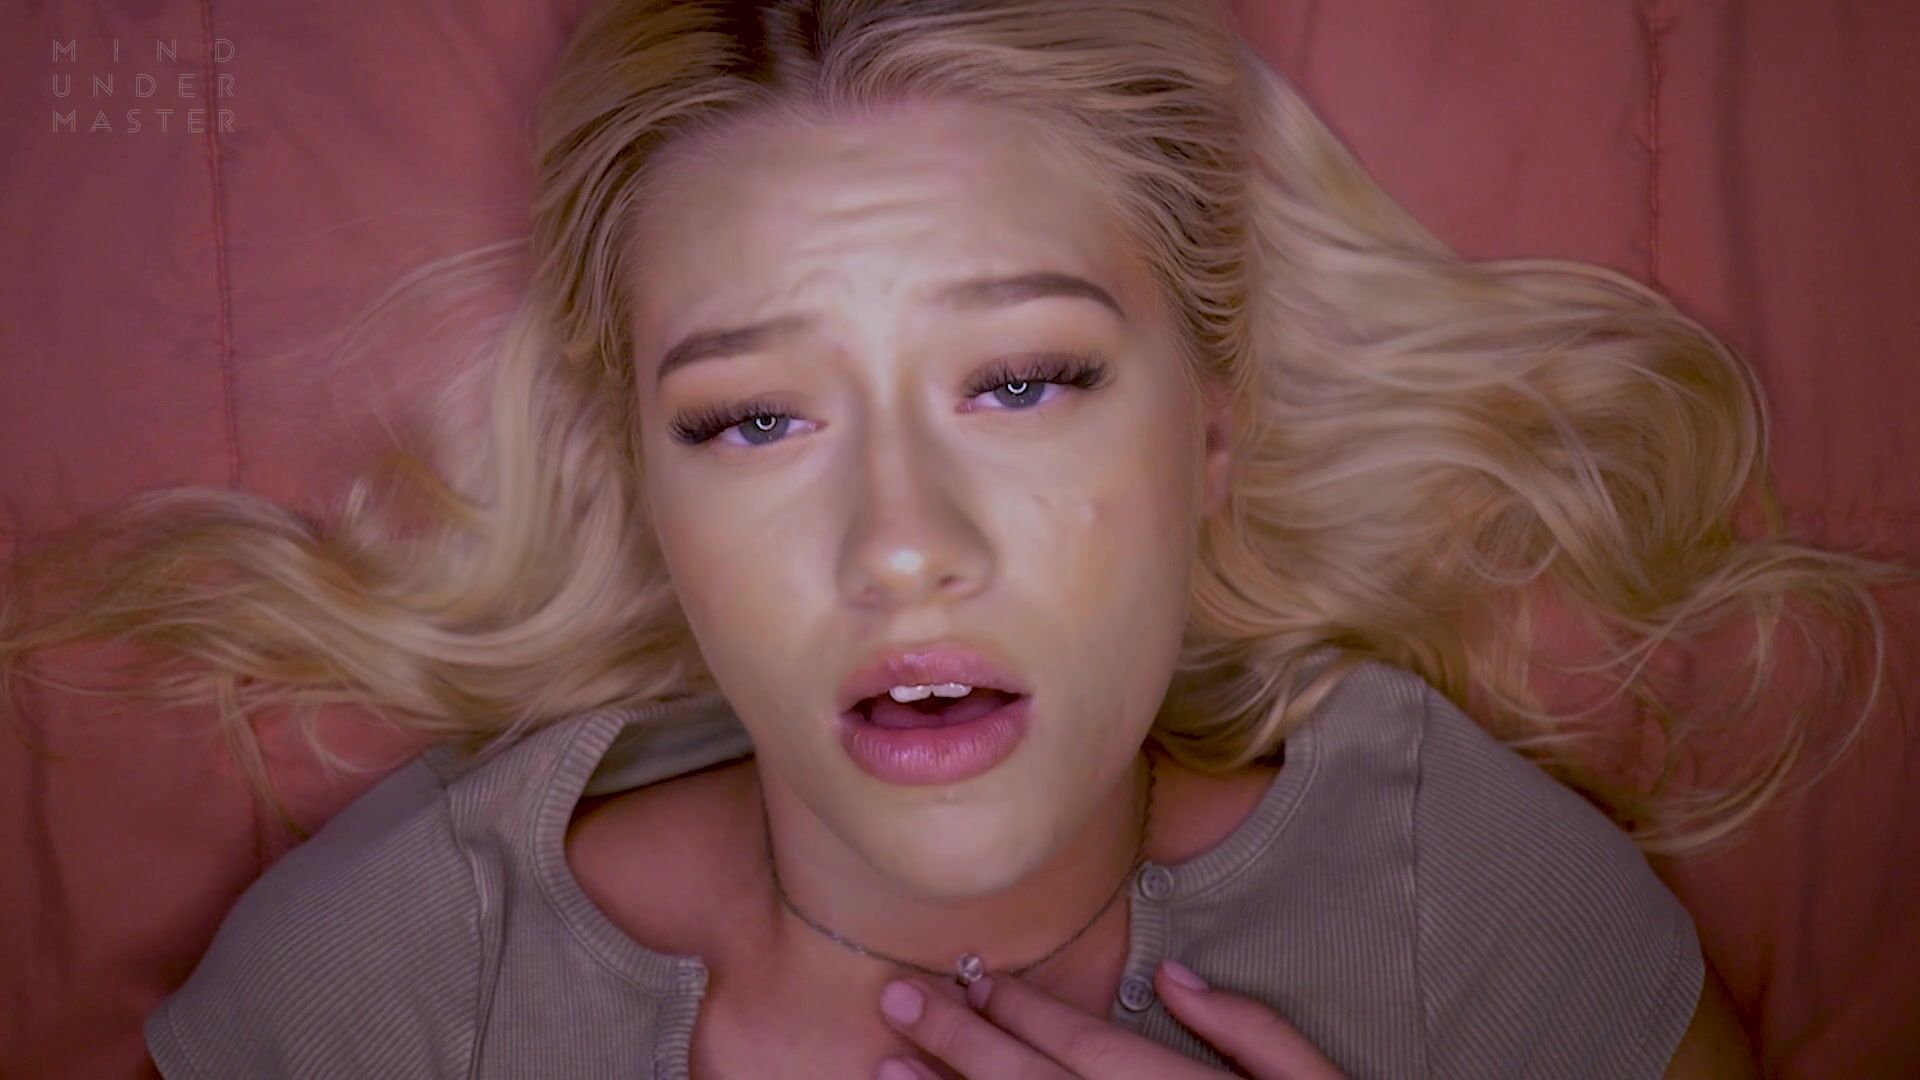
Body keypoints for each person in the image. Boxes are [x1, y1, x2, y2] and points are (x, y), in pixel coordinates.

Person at [2, 0, 1901, 1076]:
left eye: (1024, 382)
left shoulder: (1468, 907)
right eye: (754, 418)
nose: (900, 550)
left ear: (1213, 431)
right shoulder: (402, 975)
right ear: (650, 487)